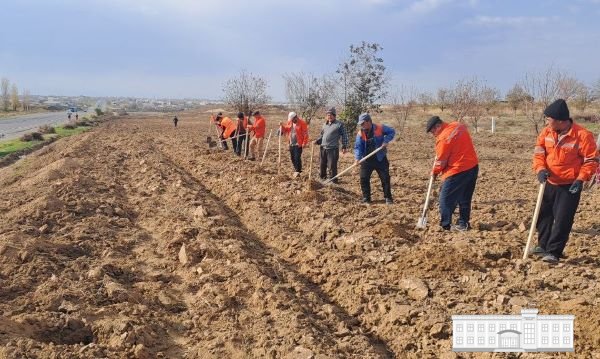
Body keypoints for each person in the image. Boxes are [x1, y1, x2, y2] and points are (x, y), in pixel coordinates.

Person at [531, 99, 598, 264]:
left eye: (549, 119)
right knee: (544, 216)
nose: (546, 122)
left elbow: (591, 160)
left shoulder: (582, 135)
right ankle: (543, 245)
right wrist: (540, 169)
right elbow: (539, 153)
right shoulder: (546, 132)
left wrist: (581, 179)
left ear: (560, 121)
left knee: (563, 219)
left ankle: (554, 252)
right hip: (549, 182)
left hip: (570, 185)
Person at [426, 116, 479, 231]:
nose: (433, 134)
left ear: (438, 126)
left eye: (433, 131)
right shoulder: (458, 125)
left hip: (457, 170)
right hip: (473, 166)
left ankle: (445, 225)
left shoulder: (443, 139)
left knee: (444, 199)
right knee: (465, 197)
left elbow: (440, 161)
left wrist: (434, 172)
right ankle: (464, 224)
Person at [354, 113, 395, 204]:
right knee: (363, 178)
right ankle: (366, 198)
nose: (361, 125)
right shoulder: (360, 133)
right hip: (366, 159)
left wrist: (385, 141)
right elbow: (358, 147)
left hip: (380, 158)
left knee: (385, 178)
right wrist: (357, 158)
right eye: (360, 124)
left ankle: (388, 198)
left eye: (363, 123)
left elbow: (392, 131)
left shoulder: (380, 128)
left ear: (369, 121)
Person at [315, 107, 349, 183]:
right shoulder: (325, 124)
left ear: (334, 115)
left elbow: (345, 135)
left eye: (330, 115)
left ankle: (333, 181)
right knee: (322, 164)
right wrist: (317, 141)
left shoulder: (339, 124)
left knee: (331, 166)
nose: (329, 117)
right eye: (328, 115)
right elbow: (322, 136)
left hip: (332, 149)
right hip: (323, 148)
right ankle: (322, 178)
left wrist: (344, 146)